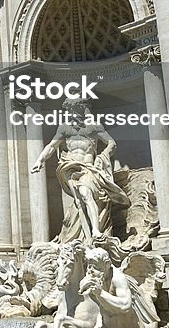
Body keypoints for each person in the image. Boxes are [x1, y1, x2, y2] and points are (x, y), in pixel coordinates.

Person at [32, 101, 130, 242]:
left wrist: (102, 156)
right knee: (79, 201)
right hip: (69, 167)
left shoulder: (93, 126)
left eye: (76, 110)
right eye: (70, 111)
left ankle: (95, 230)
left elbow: (111, 143)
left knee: (85, 193)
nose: (72, 114)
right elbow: (52, 146)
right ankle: (86, 235)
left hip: (88, 167)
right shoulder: (64, 128)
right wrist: (40, 160)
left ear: (82, 109)